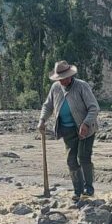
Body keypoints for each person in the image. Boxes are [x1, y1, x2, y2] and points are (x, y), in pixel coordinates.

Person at [38, 60, 100, 201]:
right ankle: (77, 191)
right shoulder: (55, 88)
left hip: (85, 128)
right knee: (71, 160)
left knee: (83, 157)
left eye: (64, 78)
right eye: (59, 79)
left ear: (70, 76)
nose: (62, 81)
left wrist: (85, 124)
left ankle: (88, 190)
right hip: (66, 130)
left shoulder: (81, 86)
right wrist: (42, 120)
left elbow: (94, 108)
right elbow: (47, 106)